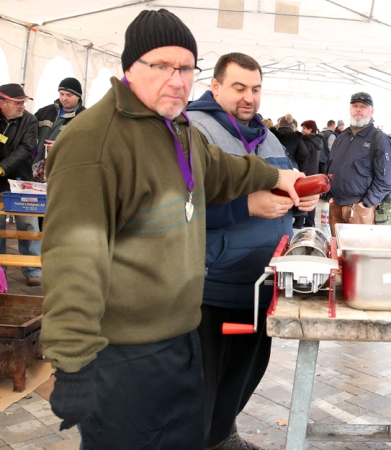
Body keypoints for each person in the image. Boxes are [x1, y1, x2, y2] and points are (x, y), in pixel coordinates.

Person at [40, 10, 303, 450]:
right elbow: (72, 260)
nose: (176, 80)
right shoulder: (95, 142)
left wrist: (276, 176)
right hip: (122, 353)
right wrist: (72, 363)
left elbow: (222, 170)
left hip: (181, 338)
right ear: (130, 67)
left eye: (185, 68)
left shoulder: (177, 128)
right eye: (160, 66)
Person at [185, 52, 317, 450]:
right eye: (239, 88)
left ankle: (222, 435)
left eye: (256, 89)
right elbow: (178, 207)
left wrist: (300, 199)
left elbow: (281, 185)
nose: (249, 98)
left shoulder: (268, 135)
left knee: (245, 371)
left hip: (260, 284)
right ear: (215, 86)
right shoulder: (195, 131)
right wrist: (246, 206)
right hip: (213, 286)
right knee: (203, 383)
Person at [325, 92, 391, 235]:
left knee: (358, 255)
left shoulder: (380, 139)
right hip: (336, 206)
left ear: (371, 111)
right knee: (337, 252)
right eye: (355, 106)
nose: (358, 110)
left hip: (359, 210)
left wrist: (365, 204)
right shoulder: (341, 138)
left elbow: (388, 180)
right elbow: (330, 167)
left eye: (363, 107)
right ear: (350, 109)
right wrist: (330, 198)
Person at [0, 83, 41, 286]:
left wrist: (2, 167)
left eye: (24, 102)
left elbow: (27, 148)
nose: (22, 106)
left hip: (22, 181)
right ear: (2, 103)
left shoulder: (30, 120)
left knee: (28, 224)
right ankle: (0, 273)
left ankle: (33, 268)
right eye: (17, 103)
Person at [34, 77, 86, 169]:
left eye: (69, 95)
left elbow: (87, 147)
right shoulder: (43, 112)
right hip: (36, 167)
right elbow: (28, 135)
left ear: (78, 96)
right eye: (61, 94)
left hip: (63, 169)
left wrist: (62, 148)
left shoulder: (85, 117)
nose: (64, 98)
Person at [298, 119, 321, 228]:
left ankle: (299, 221)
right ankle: (310, 222)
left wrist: (302, 172)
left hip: (307, 172)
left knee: (304, 198)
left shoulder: (307, 142)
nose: (302, 130)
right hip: (314, 171)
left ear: (310, 129)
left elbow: (305, 159)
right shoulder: (317, 141)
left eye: (304, 128)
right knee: (311, 198)